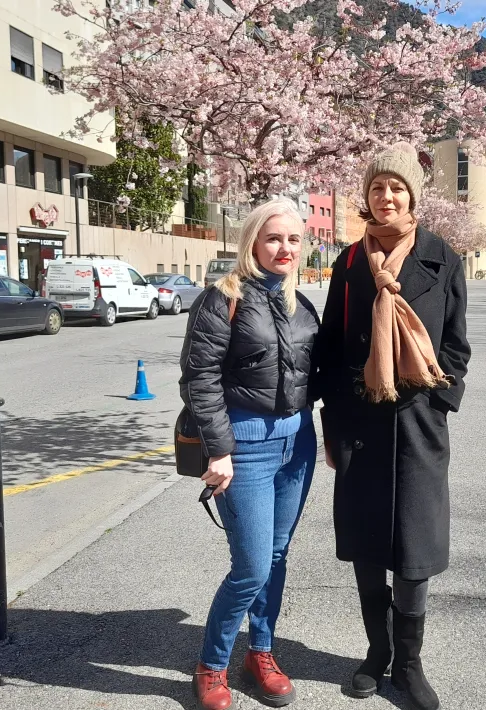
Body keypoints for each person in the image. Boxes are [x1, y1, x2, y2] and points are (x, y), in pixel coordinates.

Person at [314, 142, 471, 710]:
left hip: (418, 424)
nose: (386, 197)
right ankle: (375, 653)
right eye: (377, 187)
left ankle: (409, 664)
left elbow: (457, 344)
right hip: (360, 421)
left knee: (414, 547)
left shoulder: (441, 257)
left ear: (412, 196)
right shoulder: (350, 263)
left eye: (397, 188)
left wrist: (438, 399)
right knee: (366, 545)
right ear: (367, 196)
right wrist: (332, 421)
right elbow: (330, 348)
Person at [179, 197, 320, 710]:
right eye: (274, 238)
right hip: (244, 448)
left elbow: (313, 374)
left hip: (297, 443)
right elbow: (199, 379)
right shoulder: (223, 298)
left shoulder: (299, 303)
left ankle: (260, 651)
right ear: (253, 242)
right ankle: (211, 665)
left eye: (294, 239)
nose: (285, 248)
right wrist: (219, 451)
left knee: (277, 557)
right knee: (252, 566)